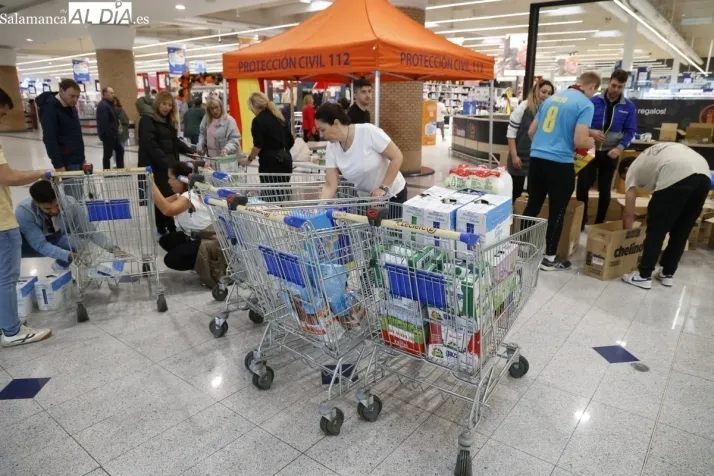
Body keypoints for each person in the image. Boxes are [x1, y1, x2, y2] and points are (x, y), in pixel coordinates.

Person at [525, 72, 600, 271]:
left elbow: (531, 132)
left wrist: (544, 147)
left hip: (536, 159)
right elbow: (579, 141)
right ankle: (549, 258)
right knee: (557, 211)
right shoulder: (585, 104)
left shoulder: (550, 100)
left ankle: (522, 249)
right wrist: (592, 141)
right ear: (591, 87)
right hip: (560, 163)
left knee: (533, 204)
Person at [0, 87, 53, 346]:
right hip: (1, 222)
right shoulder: (24, 212)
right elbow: (6, 176)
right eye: (0, 114)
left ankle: (6, 323)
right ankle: (12, 332)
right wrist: (40, 172)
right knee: (6, 277)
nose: (2, 121)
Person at [621, 143, 711, 289]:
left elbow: (628, 211)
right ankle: (667, 273)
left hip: (677, 173)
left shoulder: (632, 169)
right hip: (704, 174)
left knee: (656, 230)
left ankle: (644, 276)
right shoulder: (650, 160)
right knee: (682, 229)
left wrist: (628, 236)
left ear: (626, 170)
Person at [316, 103, 407, 216]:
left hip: (393, 196)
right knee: (367, 227)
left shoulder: (368, 132)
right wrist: (319, 209)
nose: (321, 135)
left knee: (391, 227)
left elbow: (397, 156)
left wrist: (384, 187)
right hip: (367, 200)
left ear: (336, 123)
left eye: (323, 129)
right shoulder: (332, 147)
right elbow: (330, 185)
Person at [577, 69, 637, 228]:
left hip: (611, 153)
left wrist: (619, 148)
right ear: (608, 83)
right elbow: (580, 124)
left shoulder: (628, 106)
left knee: (605, 191)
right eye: (614, 85)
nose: (616, 89)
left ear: (624, 87)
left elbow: (631, 131)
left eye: (620, 87)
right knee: (582, 186)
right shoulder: (592, 101)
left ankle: (599, 224)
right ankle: (580, 222)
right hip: (589, 150)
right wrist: (591, 132)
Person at [16, 180, 120, 272]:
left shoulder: (70, 203)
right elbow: (40, 245)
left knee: (73, 244)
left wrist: (112, 248)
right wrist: (68, 255)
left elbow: (89, 230)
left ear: (59, 196)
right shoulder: (24, 211)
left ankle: (59, 267)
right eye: (47, 208)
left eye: (57, 205)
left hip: (55, 236)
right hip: (28, 244)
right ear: (36, 203)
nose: (54, 211)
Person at [138, 90, 195, 236]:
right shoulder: (148, 119)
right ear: (157, 103)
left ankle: (170, 228)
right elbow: (150, 145)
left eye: (170, 105)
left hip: (167, 165)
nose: (167, 107)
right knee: (160, 197)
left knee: (168, 195)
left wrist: (190, 151)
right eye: (164, 104)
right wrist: (168, 164)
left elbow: (174, 141)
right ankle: (162, 229)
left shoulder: (167, 120)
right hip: (155, 167)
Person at [152, 162, 213, 272]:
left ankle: (205, 264)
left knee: (171, 259)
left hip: (207, 238)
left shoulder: (190, 195)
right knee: (166, 241)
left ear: (182, 179)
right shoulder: (184, 193)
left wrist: (152, 185)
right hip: (196, 235)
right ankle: (196, 256)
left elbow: (168, 210)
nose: (168, 182)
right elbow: (162, 203)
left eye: (171, 178)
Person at [506, 79, 554, 202]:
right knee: (515, 191)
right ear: (536, 91)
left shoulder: (550, 111)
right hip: (520, 156)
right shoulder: (523, 107)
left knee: (534, 193)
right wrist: (514, 156)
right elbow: (511, 134)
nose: (546, 96)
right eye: (544, 92)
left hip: (538, 157)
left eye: (549, 93)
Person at [239, 92, 294, 199]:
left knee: (269, 198)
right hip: (286, 161)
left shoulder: (258, 121)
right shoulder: (279, 117)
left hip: (270, 164)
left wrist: (248, 159)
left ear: (253, 106)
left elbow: (258, 146)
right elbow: (291, 141)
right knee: (281, 196)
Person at [36, 78, 84, 173]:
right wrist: (58, 164)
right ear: (61, 91)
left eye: (77, 96)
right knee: (72, 183)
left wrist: (82, 158)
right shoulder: (49, 108)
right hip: (66, 161)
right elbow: (49, 138)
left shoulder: (71, 106)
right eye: (72, 96)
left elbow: (75, 134)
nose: (75, 100)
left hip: (77, 158)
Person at [96, 87, 124, 170]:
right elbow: (103, 122)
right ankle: (107, 172)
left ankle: (120, 170)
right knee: (108, 155)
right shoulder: (103, 106)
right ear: (105, 94)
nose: (113, 95)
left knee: (119, 151)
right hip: (109, 135)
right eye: (111, 93)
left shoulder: (109, 104)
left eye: (113, 93)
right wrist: (108, 134)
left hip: (113, 134)